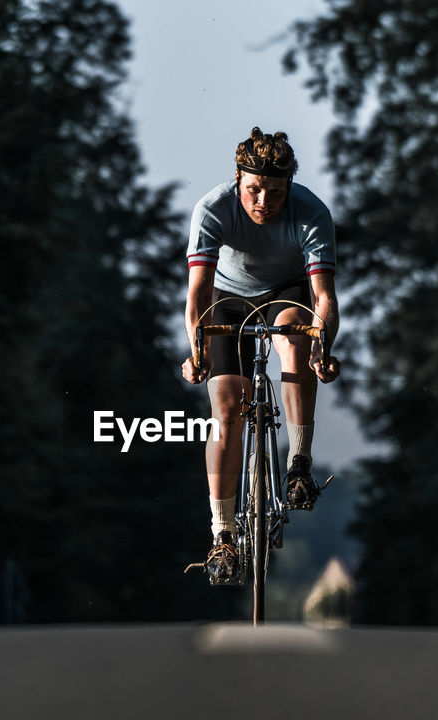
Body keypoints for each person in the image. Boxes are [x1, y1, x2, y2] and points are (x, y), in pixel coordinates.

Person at [180, 127, 341, 583]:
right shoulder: (213, 209)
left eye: (275, 192)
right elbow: (198, 295)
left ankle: (299, 465)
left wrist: (323, 346)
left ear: (290, 187)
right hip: (227, 297)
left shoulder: (311, 213)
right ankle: (222, 535)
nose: (264, 202)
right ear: (237, 179)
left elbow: (324, 298)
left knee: (294, 332)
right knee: (228, 406)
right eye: (253, 189)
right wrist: (196, 350)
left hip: (285, 292)